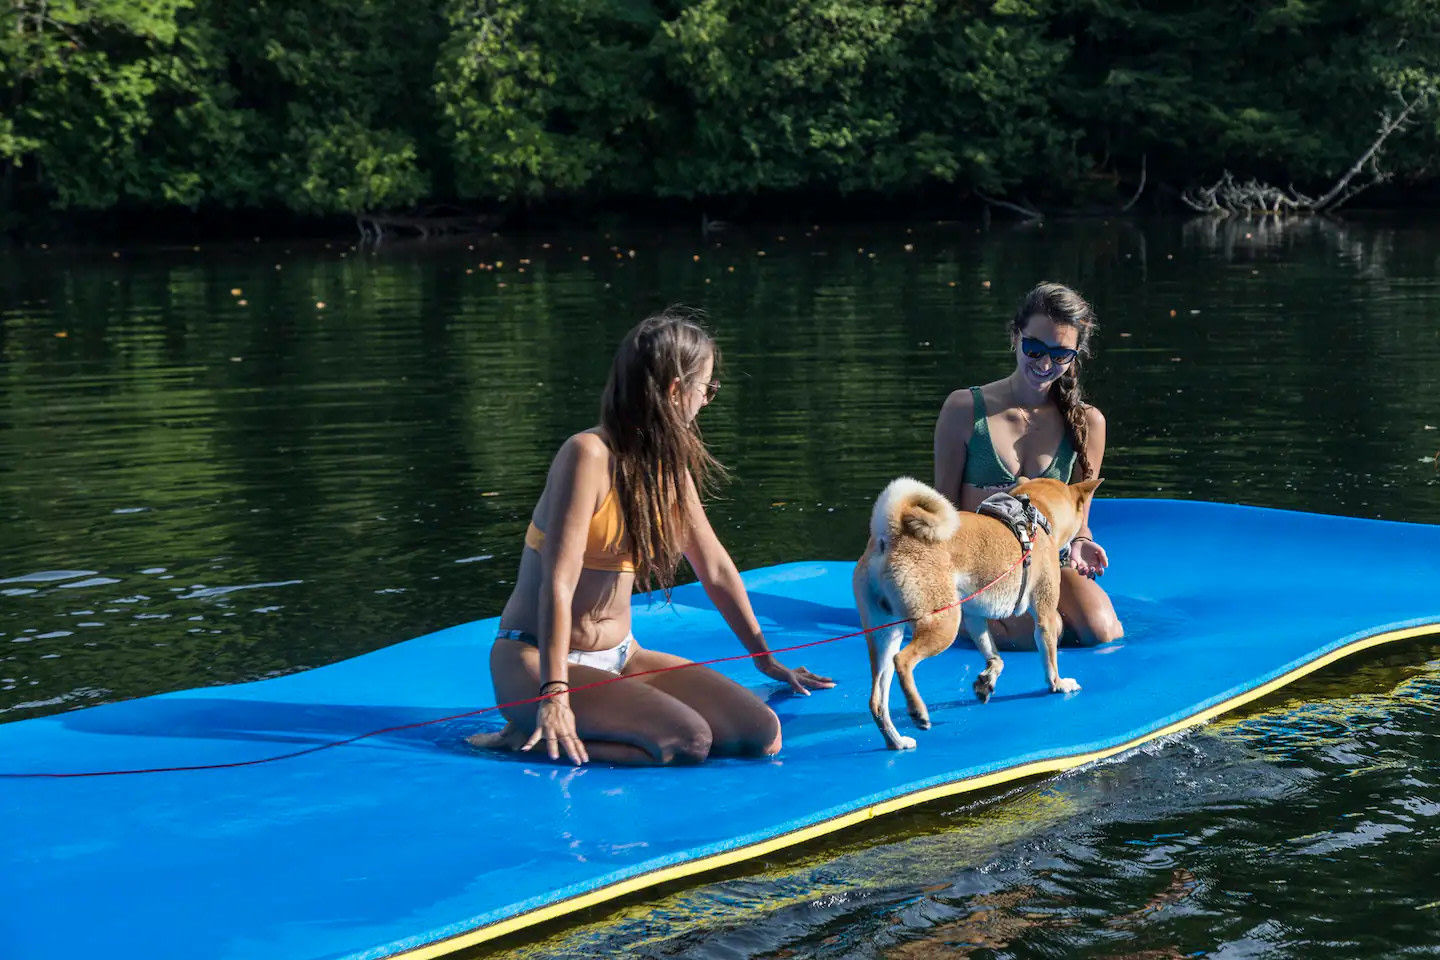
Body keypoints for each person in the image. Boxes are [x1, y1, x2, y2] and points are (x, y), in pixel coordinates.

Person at [469, 308, 834, 766]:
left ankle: (599, 717)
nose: (707, 400)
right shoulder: (587, 455)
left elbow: (716, 569)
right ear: (676, 390)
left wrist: (766, 659)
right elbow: (557, 583)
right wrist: (555, 693)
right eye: (708, 388)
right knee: (687, 741)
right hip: (537, 659)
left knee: (761, 733)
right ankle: (525, 737)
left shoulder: (667, 469)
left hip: (622, 655)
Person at [933, 282, 1124, 648]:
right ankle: (966, 619)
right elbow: (944, 510)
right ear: (1016, 336)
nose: (1045, 363)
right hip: (984, 566)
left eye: (1060, 353)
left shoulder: (1088, 423)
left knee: (1102, 630)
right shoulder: (964, 410)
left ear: (1075, 356)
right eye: (1034, 348)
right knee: (1030, 633)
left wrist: (1082, 540)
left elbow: (1080, 518)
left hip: (1050, 561)